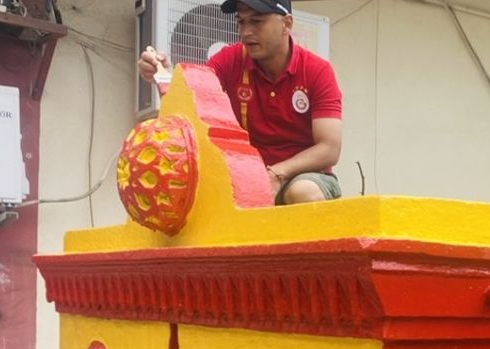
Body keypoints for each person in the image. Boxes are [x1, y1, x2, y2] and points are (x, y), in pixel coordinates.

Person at [138, 0, 343, 205]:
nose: (246, 32)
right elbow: (190, 96)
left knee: (303, 192)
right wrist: (163, 74)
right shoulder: (230, 58)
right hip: (245, 177)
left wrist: (276, 174)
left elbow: (329, 148)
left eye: (257, 21)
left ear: (286, 24)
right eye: (241, 22)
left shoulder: (317, 70)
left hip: (303, 175)